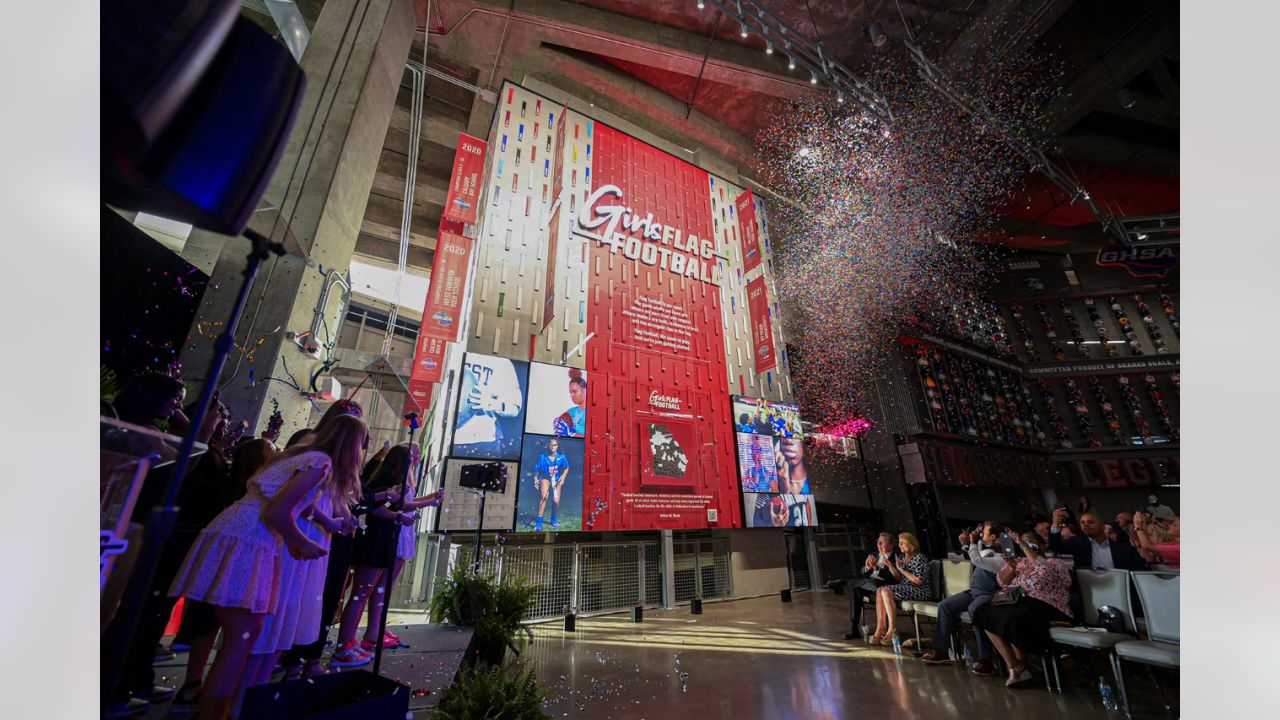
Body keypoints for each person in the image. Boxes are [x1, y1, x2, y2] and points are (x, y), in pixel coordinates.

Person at [167, 415, 369, 720]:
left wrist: (315, 529)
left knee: (243, 633)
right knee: (243, 635)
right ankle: (212, 714)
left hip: (240, 530)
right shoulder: (321, 464)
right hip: (251, 537)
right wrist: (302, 543)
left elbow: (290, 502)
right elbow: (278, 511)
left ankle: (217, 709)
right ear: (353, 445)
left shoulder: (302, 455)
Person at [103, 392, 229, 718]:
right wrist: (202, 428)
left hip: (183, 535)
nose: (222, 420)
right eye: (172, 399)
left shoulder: (204, 443)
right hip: (161, 532)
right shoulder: (158, 438)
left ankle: (138, 678)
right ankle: (112, 687)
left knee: (156, 612)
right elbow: (180, 471)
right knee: (140, 610)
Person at [171, 438, 278, 711]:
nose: (277, 455)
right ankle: (202, 692)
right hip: (234, 557)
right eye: (272, 451)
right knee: (224, 628)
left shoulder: (247, 489)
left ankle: (201, 688)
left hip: (231, 556)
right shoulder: (246, 490)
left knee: (221, 627)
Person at [332, 446, 421, 665]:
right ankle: (345, 646)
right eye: (410, 457)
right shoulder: (384, 481)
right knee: (361, 592)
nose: (414, 460)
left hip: (383, 539)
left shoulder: (393, 480)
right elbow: (372, 507)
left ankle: (356, 641)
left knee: (369, 591)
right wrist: (398, 515)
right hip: (374, 540)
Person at [972, 531, 1073, 688]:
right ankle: (1013, 665)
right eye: (1023, 542)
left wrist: (1023, 545)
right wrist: (1012, 568)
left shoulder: (1055, 563)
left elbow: (1044, 571)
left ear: (1042, 545)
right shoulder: (1019, 561)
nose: (1025, 544)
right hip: (1019, 603)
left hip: (1048, 606)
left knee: (1013, 616)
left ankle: (1023, 665)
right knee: (983, 611)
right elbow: (1002, 582)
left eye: (1030, 542)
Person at [920, 522, 1004, 675]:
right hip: (973, 591)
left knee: (975, 610)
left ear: (993, 536)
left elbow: (977, 560)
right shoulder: (985, 551)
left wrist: (972, 543)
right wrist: (966, 543)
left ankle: (987, 659)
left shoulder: (1001, 557)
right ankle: (941, 651)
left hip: (988, 593)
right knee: (945, 605)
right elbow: (970, 555)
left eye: (983, 532)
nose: (980, 534)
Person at [869, 533, 932, 646]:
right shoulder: (902, 558)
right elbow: (898, 579)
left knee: (885, 590)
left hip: (920, 590)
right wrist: (891, 566)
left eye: (902, 543)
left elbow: (919, 581)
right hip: (906, 588)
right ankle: (880, 628)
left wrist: (902, 570)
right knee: (880, 590)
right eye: (899, 543)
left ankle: (892, 630)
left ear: (910, 544)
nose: (900, 545)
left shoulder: (919, 558)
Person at [455, 355, 523, 456]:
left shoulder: (502, 362)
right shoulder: (457, 351)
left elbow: (515, 407)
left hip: (484, 441)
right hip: (447, 438)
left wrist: (491, 403)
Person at [1049, 510, 1148, 571]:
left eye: (1090, 522)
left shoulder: (1125, 549)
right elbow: (1055, 547)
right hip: (1090, 589)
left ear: (1102, 526)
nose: (1085, 525)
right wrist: (1055, 524)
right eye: (1082, 523)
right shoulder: (1076, 543)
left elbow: (1141, 571)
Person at [843, 533, 897, 641]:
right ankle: (854, 628)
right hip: (871, 585)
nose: (879, 544)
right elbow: (863, 573)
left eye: (883, 542)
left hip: (885, 587)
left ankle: (844, 583)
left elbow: (893, 579)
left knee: (857, 584)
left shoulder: (895, 557)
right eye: (878, 542)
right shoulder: (874, 554)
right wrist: (867, 567)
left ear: (891, 545)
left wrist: (877, 567)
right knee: (856, 590)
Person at [534, 437, 570, 530]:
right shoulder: (542, 456)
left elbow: (566, 468)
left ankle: (553, 519)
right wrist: (535, 478)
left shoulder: (562, 457)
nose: (553, 447)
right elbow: (537, 469)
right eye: (551, 445)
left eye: (555, 445)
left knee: (556, 500)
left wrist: (563, 476)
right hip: (545, 478)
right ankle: (539, 522)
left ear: (557, 446)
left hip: (556, 479)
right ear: (548, 445)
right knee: (544, 497)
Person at [551, 371, 587, 437]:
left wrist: (572, 434)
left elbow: (594, 439)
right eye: (570, 392)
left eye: (575, 391)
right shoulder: (570, 412)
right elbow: (559, 432)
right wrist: (557, 426)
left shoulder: (593, 413)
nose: (572, 395)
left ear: (584, 390)